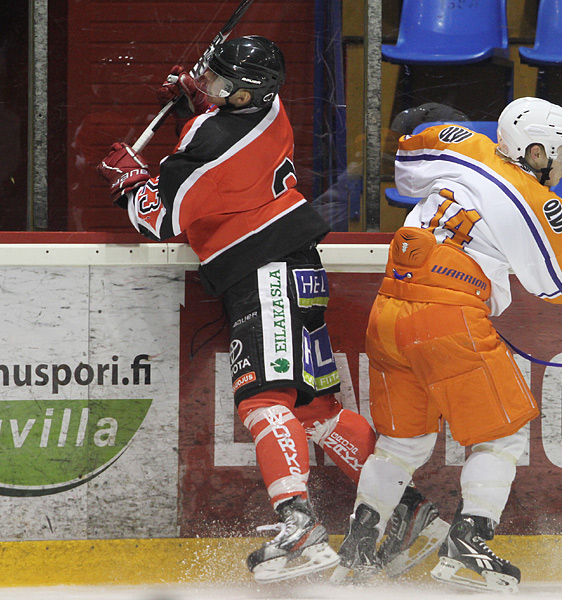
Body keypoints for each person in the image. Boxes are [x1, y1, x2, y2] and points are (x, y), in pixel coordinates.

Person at [97, 35, 443, 583]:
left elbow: (161, 218)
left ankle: (299, 524)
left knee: (263, 400)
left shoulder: (214, 139)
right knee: (313, 410)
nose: (207, 85)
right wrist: (196, 98)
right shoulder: (267, 107)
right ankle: (408, 511)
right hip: (296, 266)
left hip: (264, 277)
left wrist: (130, 181)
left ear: (240, 97)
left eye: (217, 83)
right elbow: (222, 130)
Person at [333, 96, 562, 592]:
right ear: (535, 152)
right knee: (501, 437)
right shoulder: (539, 201)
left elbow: (404, 166)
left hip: (387, 312)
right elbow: (552, 284)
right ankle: (468, 544)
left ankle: (360, 544)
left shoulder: (463, 145)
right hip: (446, 318)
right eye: (560, 153)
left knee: (402, 443)